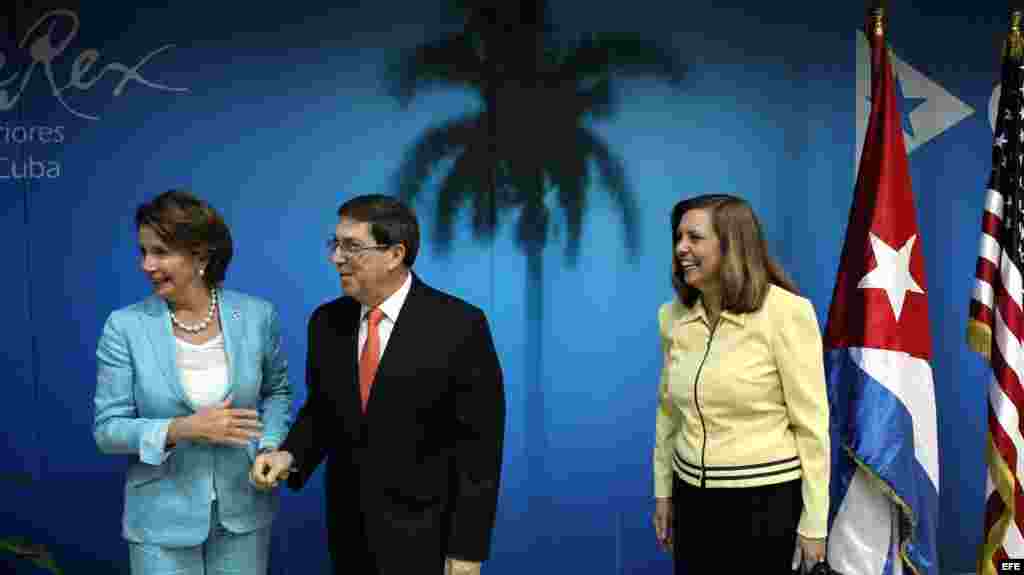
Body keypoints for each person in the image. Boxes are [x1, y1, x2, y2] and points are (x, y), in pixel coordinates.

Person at [253, 194, 505, 575]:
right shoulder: (326, 323)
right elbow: (323, 412)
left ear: (394, 254)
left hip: (427, 538)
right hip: (349, 535)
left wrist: (467, 550)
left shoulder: (460, 326)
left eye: (352, 247)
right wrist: (289, 455)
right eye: (335, 245)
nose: (336, 257)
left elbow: (480, 452)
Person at [93, 190, 293, 574]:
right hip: (160, 520)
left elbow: (276, 394)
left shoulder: (256, 316)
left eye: (161, 252)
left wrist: (269, 447)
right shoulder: (125, 327)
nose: (147, 265)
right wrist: (182, 428)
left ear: (201, 255)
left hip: (245, 512)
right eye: (143, 252)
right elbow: (108, 430)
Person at [651, 194, 830, 574]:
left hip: (766, 505)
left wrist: (814, 522)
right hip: (691, 502)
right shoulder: (672, 318)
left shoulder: (786, 313)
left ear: (731, 244)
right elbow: (668, 413)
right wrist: (663, 491)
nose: (681, 247)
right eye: (678, 237)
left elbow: (811, 427)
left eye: (694, 237)